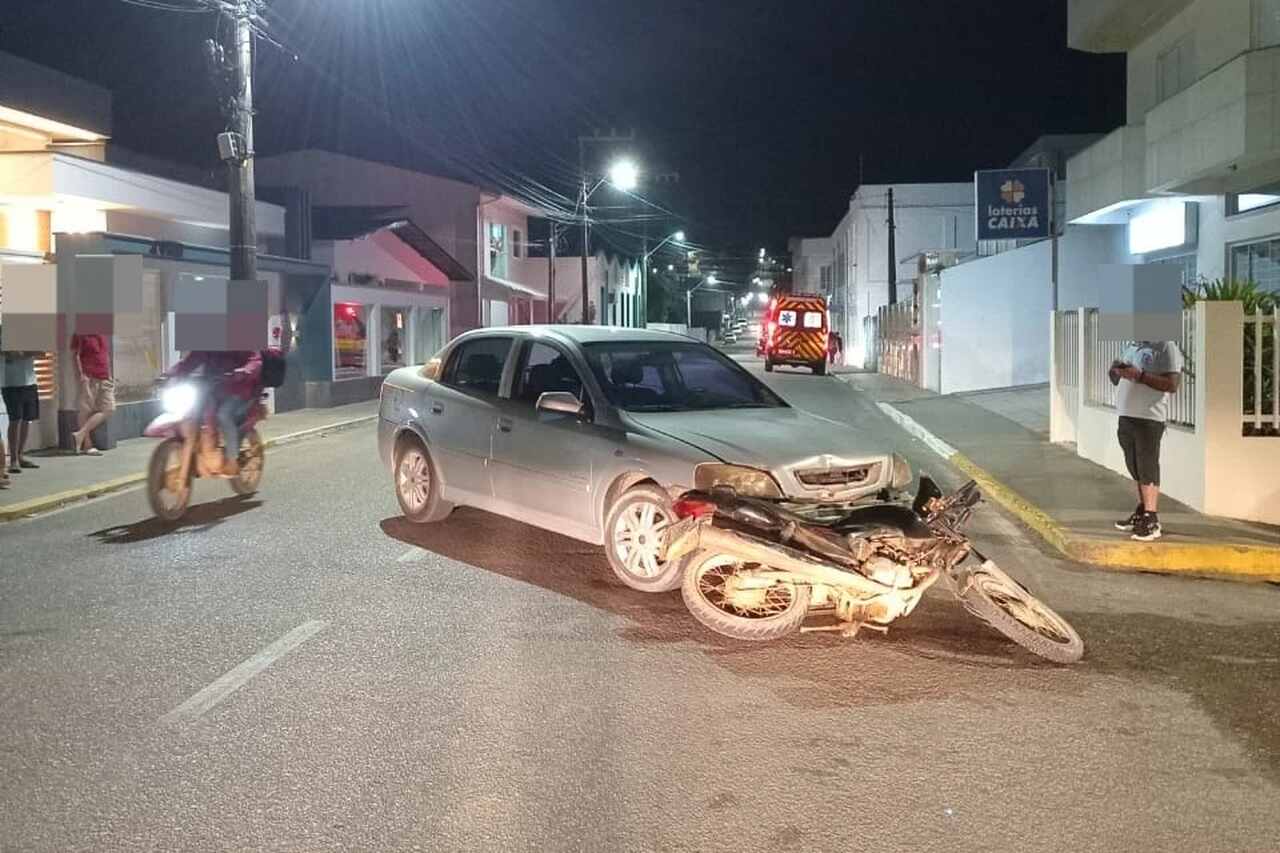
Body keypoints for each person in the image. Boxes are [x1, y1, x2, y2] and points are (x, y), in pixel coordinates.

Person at [1109, 339, 1184, 542]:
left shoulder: (1166, 346)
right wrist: (1116, 371)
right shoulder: (1132, 345)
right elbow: (1116, 380)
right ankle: (1143, 511)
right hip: (1126, 416)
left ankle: (1152, 520)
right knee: (1135, 466)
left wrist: (1140, 376)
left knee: (1147, 466)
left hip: (1149, 418)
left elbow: (1172, 384)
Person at [166, 350, 261, 476]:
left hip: (238, 390)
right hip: (214, 389)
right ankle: (203, 449)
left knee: (223, 415)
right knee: (193, 413)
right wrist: (172, 372)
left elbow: (255, 360)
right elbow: (193, 359)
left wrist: (245, 371)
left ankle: (232, 460)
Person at [69, 333, 116, 456]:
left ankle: (80, 434)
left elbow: (105, 354)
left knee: (109, 408)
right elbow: (75, 356)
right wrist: (82, 377)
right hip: (90, 377)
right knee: (86, 410)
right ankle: (87, 445)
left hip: (105, 377)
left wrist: (110, 374)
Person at [2, 348, 42, 475]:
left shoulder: (27, 337)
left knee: (27, 419)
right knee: (15, 419)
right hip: (11, 383)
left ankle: (20, 455)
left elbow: (42, 352)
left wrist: (25, 353)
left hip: (30, 381)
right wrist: (9, 353)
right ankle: (13, 460)